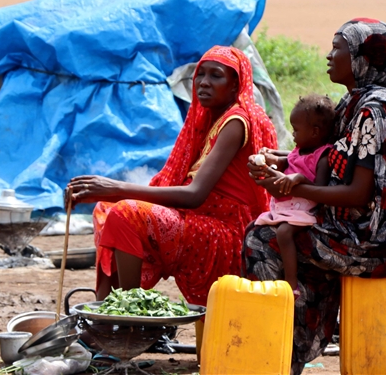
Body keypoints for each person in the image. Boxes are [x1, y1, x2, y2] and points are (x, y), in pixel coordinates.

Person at [244, 18, 386, 375]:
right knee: (276, 229)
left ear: (364, 57)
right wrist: (282, 161)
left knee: (261, 239)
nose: (329, 56)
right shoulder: (354, 102)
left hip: (380, 241)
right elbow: (327, 157)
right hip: (355, 230)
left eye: (339, 49)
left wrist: (290, 186)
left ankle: (287, 349)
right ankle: (294, 342)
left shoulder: (373, 111)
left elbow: (358, 194)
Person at [66, 46, 278, 305]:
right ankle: (105, 317)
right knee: (105, 209)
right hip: (203, 221)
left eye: (216, 76)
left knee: (125, 213)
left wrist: (116, 187)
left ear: (236, 85)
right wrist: (109, 193)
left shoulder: (237, 121)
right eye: (200, 75)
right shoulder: (210, 119)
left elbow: (194, 195)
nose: (204, 83)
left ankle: (127, 315)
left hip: (229, 235)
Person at [252, 94, 336, 295]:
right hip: (287, 205)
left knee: (283, 233)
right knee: (258, 226)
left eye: (296, 130)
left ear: (315, 132)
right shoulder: (300, 150)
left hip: (303, 209)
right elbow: (286, 161)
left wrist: (297, 179)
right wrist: (268, 159)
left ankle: (292, 283)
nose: (293, 134)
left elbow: (320, 190)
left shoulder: (322, 156)